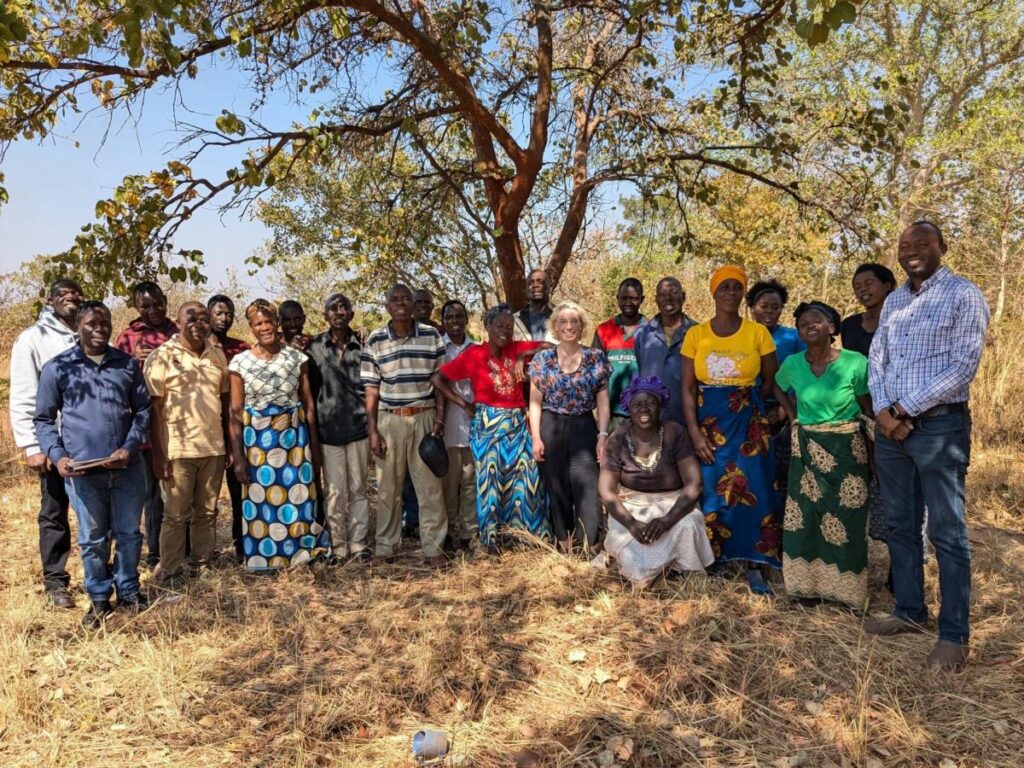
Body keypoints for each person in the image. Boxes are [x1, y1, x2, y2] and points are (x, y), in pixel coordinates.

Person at [866, 220, 989, 671]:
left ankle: (954, 634)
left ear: (941, 246)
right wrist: (883, 411)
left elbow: (963, 366)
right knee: (900, 524)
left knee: (947, 532)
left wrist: (903, 410)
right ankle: (910, 611)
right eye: (904, 245)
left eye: (922, 243)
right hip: (891, 431)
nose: (912, 250)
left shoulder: (963, 294)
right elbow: (878, 362)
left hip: (939, 428)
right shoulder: (895, 300)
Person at [34, 301, 152, 628]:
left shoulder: (126, 365)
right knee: (93, 537)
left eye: (105, 323)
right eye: (91, 324)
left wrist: (130, 447)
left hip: (126, 467)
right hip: (83, 472)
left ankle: (129, 590)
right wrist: (58, 457)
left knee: (129, 533)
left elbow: (143, 410)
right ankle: (99, 598)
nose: (99, 329)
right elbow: (43, 419)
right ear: (77, 327)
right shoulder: (58, 368)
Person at [681, 265, 780, 595]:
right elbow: (686, 389)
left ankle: (756, 562)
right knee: (713, 487)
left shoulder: (757, 333)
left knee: (755, 486)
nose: (730, 293)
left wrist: (746, 403)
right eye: (723, 287)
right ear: (713, 292)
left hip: (748, 421)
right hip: (710, 422)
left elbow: (769, 380)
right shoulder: (696, 335)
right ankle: (717, 557)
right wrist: (695, 433)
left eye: (736, 287)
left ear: (743, 294)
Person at [774, 302, 873, 609]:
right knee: (803, 518)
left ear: (833, 328)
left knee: (848, 518)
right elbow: (776, 388)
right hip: (806, 448)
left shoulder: (855, 362)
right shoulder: (792, 364)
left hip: (846, 448)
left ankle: (847, 593)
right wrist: (792, 416)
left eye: (818, 320)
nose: (810, 324)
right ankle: (806, 589)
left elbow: (867, 405)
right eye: (803, 322)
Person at [431, 304, 550, 549]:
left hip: (517, 424)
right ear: (488, 326)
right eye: (499, 326)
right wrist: (464, 404)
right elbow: (437, 379)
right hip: (487, 425)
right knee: (489, 483)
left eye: (509, 327)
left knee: (525, 478)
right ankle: (491, 540)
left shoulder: (517, 348)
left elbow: (551, 347)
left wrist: (521, 357)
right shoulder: (475, 354)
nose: (505, 331)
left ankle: (521, 538)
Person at [228, 300, 330, 571]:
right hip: (257, 443)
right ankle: (265, 559)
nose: (264, 328)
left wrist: (315, 447)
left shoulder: (297, 358)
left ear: (276, 322)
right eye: (258, 324)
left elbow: (308, 404)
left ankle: (300, 555)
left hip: (294, 440)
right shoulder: (240, 363)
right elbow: (235, 412)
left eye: (268, 321)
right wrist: (238, 456)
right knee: (261, 498)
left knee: (298, 495)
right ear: (251, 328)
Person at [361, 284, 449, 566]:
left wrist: (439, 419)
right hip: (390, 419)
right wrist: (373, 430)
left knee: (430, 487)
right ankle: (386, 547)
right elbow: (371, 390)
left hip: (424, 416)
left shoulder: (430, 335)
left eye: (406, 299)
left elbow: (440, 381)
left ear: (414, 304)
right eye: (394, 299)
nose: (401, 304)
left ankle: (434, 548)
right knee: (388, 487)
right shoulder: (375, 339)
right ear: (387, 306)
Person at [8, 278, 83, 608]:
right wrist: (31, 445)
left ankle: (101, 573)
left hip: (87, 443)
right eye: (61, 295)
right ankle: (55, 581)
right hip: (52, 443)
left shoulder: (89, 330)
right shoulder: (32, 339)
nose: (69, 299)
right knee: (54, 511)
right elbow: (24, 395)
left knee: (95, 513)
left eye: (74, 293)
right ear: (49, 300)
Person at [144, 302, 230, 587]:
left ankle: (201, 564)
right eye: (190, 317)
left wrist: (228, 445)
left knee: (206, 512)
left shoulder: (217, 355)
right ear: (178, 322)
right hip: (178, 449)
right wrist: (159, 456)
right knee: (176, 515)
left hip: (213, 448)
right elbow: (153, 410)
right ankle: (170, 570)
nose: (198, 323)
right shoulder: (161, 357)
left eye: (204, 318)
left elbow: (225, 402)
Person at [597, 376, 713, 586]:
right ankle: (651, 574)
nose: (644, 409)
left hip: (673, 503)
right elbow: (606, 492)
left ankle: (683, 571)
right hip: (632, 506)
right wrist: (632, 524)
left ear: (660, 406)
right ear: (628, 408)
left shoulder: (675, 432)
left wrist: (666, 521)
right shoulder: (618, 438)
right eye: (637, 404)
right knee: (633, 554)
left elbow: (694, 484)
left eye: (651, 403)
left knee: (688, 524)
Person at [528, 302, 611, 552]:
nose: (568, 326)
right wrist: (536, 438)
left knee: (586, 482)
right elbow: (534, 401)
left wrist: (602, 435)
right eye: (563, 322)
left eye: (574, 321)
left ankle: (590, 543)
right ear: (555, 326)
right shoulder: (543, 358)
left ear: (582, 326)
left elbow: (603, 400)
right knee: (557, 484)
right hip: (551, 426)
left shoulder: (596, 358)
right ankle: (563, 544)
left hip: (584, 426)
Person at [115, 281, 178, 570]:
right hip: (140, 430)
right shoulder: (128, 337)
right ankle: (150, 553)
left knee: (172, 493)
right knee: (145, 494)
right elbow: (115, 380)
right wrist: (134, 361)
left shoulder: (178, 333)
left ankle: (171, 550)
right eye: (145, 306)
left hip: (176, 426)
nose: (153, 310)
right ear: (137, 308)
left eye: (157, 303)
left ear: (166, 300)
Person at [306, 293, 371, 561]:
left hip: (359, 428)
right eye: (333, 308)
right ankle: (338, 545)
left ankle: (358, 544)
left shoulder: (364, 345)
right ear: (325, 315)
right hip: (329, 431)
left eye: (345, 307)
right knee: (334, 491)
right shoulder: (314, 348)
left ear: (352, 314)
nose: (339, 312)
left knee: (358, 489)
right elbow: (308, 389)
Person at [746, 278, 804, 506]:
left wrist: (783, 409)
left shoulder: (794, 338)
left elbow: (806, 376)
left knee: (783, 471)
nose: (769, 311)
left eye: (775, 307)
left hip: (786, 411)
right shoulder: (742, 334)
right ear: (751, 307)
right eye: (763, 306)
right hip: (748, 410)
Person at [208, 294, 251, 560]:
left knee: (240, 495)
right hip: (207, 433)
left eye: (229, 313)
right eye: (219, 313)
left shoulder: (242, 348)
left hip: (237, 432)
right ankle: (201, 552)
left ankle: (242, 547)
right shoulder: (196, 348)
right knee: (204, 501)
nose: (224, 318)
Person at [437, 300, 478, 550]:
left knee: (471, 483)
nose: (455, 321)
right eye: (449, 317)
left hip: (474, 427)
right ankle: (450, 534)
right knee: (449, 486)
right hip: (448, 427)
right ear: (442, 321)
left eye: (459, 316)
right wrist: (463, 403)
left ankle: (469, 534)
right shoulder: (438, 349)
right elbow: (436, 383)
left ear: (466, 319)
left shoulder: (477, 349)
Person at [633, 277, 697, 427]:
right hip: (651, 422)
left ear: (684, 296)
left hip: (688, 421)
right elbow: (640, 370)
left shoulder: (697, 333)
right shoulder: (642, 334)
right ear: (656, 300)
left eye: (674, 292)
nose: (668, 298)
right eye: (662, 294)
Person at [593, 277, 646, 432]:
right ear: (617, 299)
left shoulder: (651, 329)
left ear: (642, 299)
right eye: (624, 298)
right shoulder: (604, 330)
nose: (628, 302)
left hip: (643, 412)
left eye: (634, 298)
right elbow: (596, 371)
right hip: (610, 413)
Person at [840, 263, 898, 357]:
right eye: (857, 287)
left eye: (869, 283)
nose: (863, 289)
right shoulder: (848, 325)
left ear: (887, 286)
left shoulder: (903, 320)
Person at [513, 269, 555, 342]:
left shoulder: (561, 317)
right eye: (531, 283)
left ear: (549, 287)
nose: (535, 285)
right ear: (526, 289)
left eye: (540, 282)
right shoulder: (514, 320)